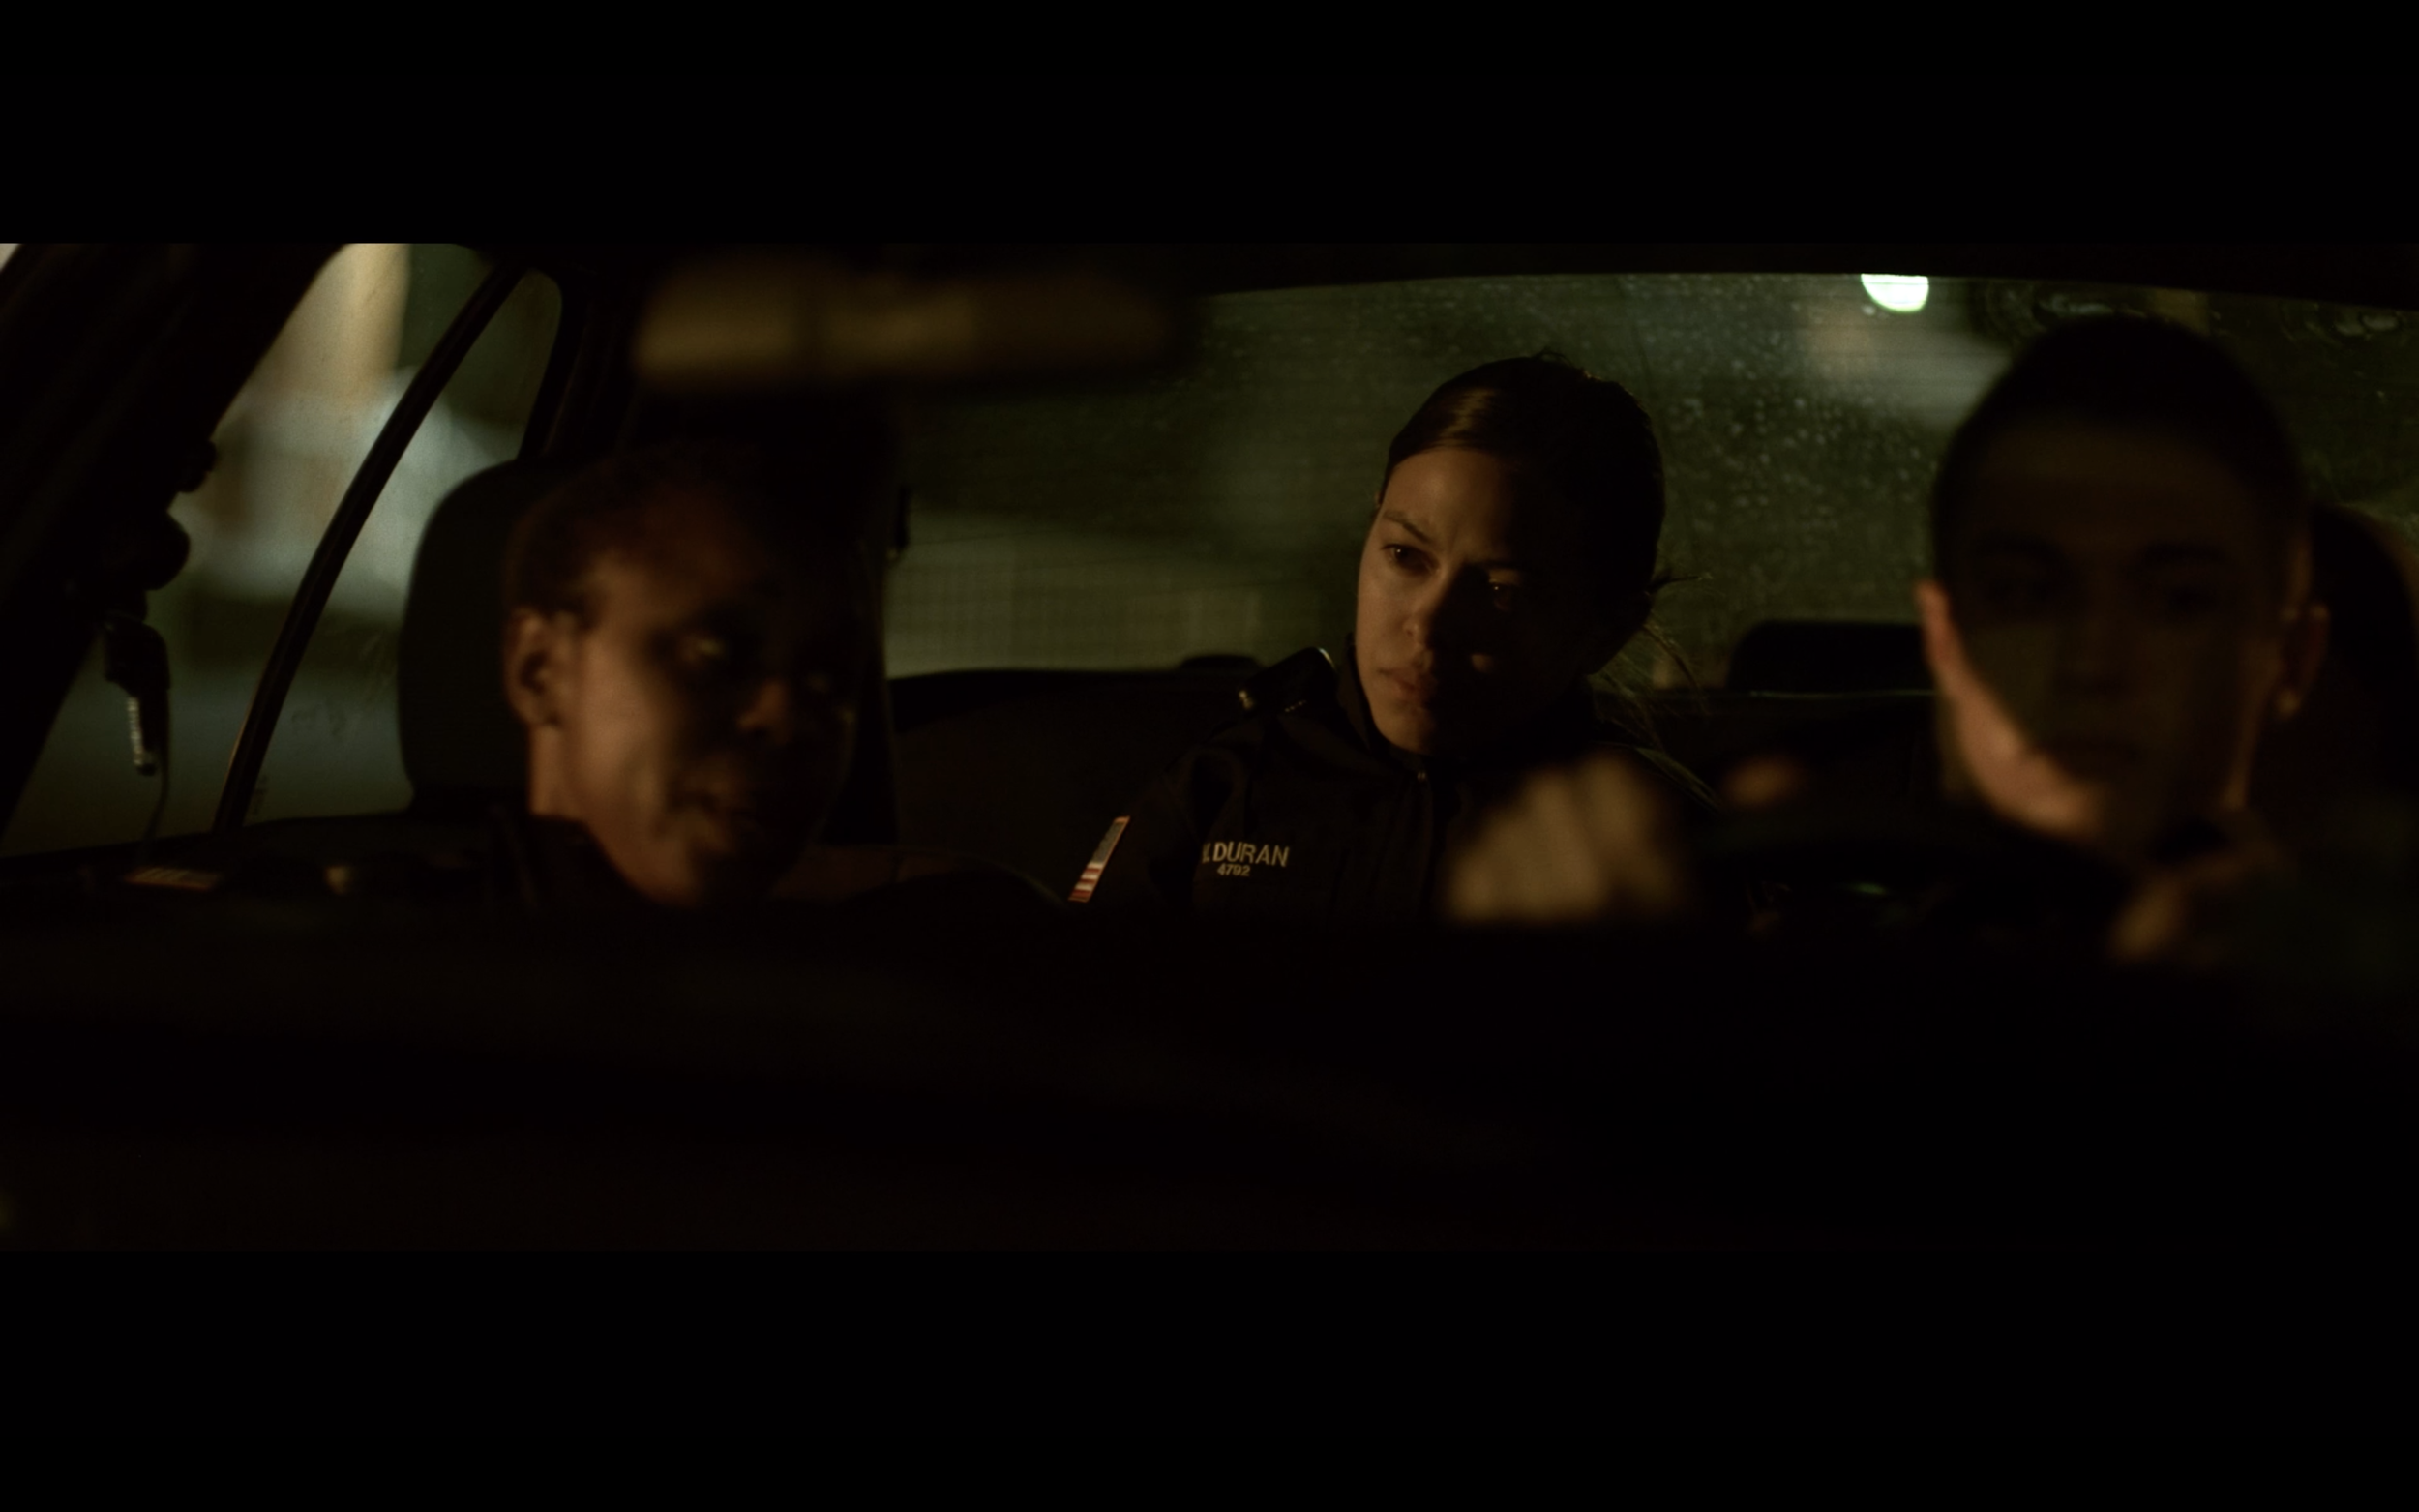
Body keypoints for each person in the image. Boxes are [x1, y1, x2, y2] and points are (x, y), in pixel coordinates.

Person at [1446, 316, 2334, 961]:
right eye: (2026, 593)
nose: (2091, 659)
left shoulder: (2362, 1004)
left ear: (2289, 658)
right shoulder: (1803, 952)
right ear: (1945, 639)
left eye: (2177, 601)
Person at [1076, 353, 1710, 924]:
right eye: (1405, 555)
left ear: (1604, 627)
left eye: (1499, 592)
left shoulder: (1649, 835)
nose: (1427, 625)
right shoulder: (1227, 782)